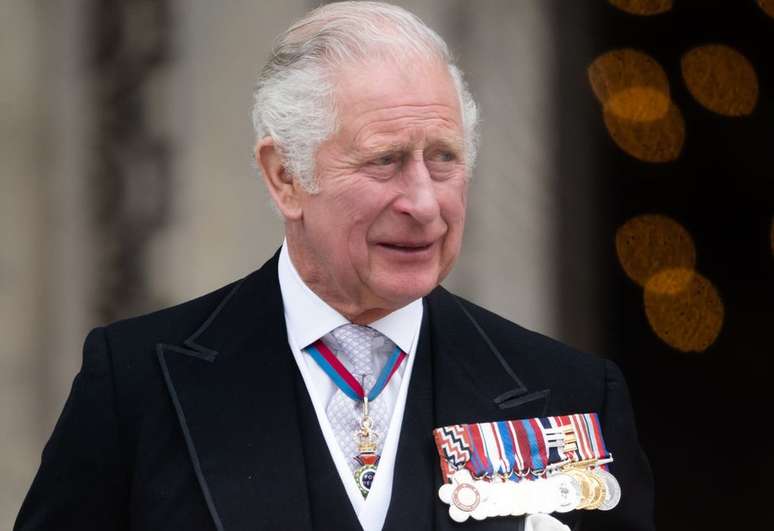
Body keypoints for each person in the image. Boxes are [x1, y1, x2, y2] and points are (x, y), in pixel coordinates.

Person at [14, 2, 654, 530]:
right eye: (384, 161)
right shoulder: (137, 383)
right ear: (285, 176)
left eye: (443, 158)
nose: (424, 203)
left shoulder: (570, 391)